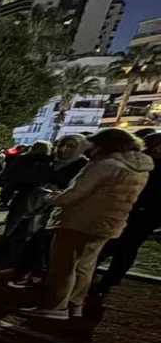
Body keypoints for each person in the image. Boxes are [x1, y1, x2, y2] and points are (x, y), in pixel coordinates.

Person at [22, 129, 154, 319]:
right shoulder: (139, 169)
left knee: (64, 265)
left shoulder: (104, 165)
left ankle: (56, 305)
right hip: (109, 222)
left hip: (80, 220)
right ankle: (75, 304)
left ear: (105, 145)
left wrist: (49, 197)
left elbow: (73, 195)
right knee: (85, 266)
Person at [0, 135, 87, 286]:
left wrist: (56, 191)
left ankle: (35, 272)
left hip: (55, 210)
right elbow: (22, 178)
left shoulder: (83, 167)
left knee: (41, 242)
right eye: (61, 145)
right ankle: (18, 269)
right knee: (19, 236)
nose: (64, 150)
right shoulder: (45, 161)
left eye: (71, 146)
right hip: (28, 205)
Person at [96, 133, 161, 295]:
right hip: (128, 209)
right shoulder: (137, 163)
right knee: (111, 242)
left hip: (144, 213)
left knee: (126, 246)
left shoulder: (150, 166)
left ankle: (108, 280)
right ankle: (99, 274)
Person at [0, 142, 49, 207]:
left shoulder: (24, 156)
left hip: (19, 179)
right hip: (33, 182)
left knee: (16, 195)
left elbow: (14, 168)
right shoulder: (46, 159)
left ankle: (7, 203)